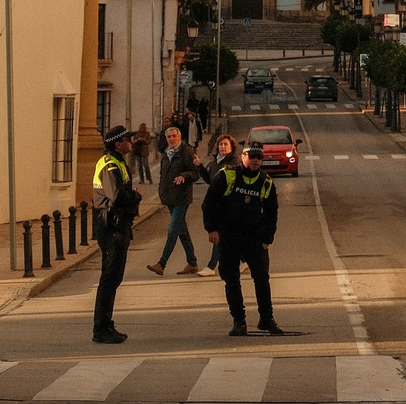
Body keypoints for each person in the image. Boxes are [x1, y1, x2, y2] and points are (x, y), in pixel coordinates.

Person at [204, 142, 291, 336]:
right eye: (252, 157)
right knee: (231, 278)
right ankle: (239, 320)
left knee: (262, 278)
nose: (255, 161)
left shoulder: (265, 181)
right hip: (229, 235)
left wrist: (268, 236)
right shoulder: (228, 176)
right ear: (243, 157)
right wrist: (212, 229)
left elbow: (271, 211)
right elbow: (209, 203)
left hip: (254, 237)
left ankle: (266, 319)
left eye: (259, 158)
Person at [88, 124, 142, 344]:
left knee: (114, 278)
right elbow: (116, 196)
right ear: (118, 143)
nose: (131, 142)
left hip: (119, 225)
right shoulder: (109, 164)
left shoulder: (118, 162)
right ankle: (100, 328)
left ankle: (106, 323)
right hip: (111, 227)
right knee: (109, 279)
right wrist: (136, 197)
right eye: (127, 139)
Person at [147, 124, 202, 278]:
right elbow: (163, 175)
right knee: (182, 231)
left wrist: (184, 176)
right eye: (169, 137)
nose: (171, 139)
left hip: (181, 197)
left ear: (179, 137)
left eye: (174, 136)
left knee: (173, 230)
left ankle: (161, 263)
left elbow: (195, 173)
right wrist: (161, 191)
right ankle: (192, 263)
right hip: (169, 197)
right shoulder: (167, 153)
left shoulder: (186, 152)